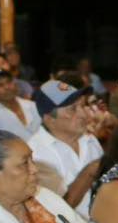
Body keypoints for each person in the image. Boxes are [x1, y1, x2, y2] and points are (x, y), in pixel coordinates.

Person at [28, 79, 105, 215]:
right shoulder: (35, 154)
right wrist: (90, 171)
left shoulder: (89, 139)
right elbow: (58, 211)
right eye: (73, 109)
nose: (83, 114)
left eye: (82, 106)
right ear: (49, 118)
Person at [0, 69, 42, 140]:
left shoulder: (31, 105)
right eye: (0, 85)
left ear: (15, 84)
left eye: (9, 82)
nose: (7, 87)